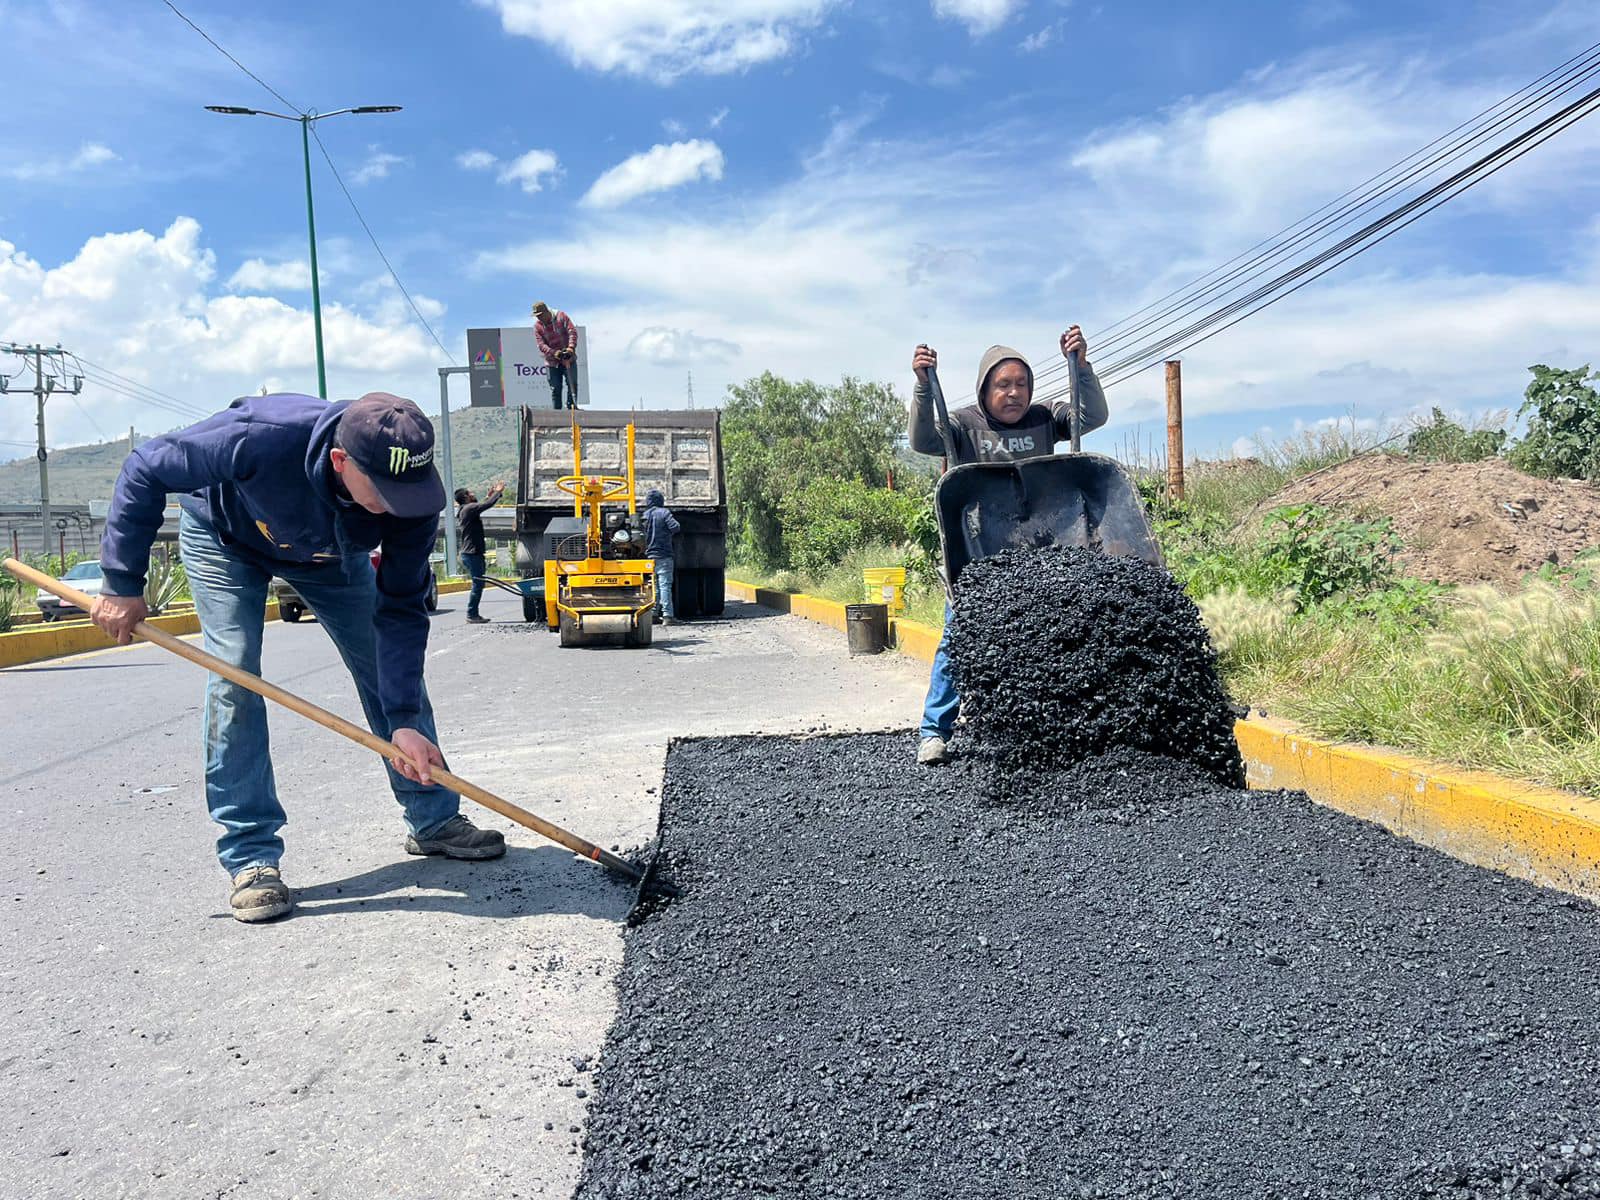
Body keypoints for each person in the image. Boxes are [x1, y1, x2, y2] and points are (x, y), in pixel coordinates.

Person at [92, 391, 506, 924]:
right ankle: (251, 856)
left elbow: (401, 610)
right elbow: (145, 466)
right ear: (341, 462)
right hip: (227, 539)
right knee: (234, 672)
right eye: (382, 492)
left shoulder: (410, 501)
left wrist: (401, 718)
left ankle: (432, 819)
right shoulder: (259, 434)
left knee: (386, 672)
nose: (394, 506)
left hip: (332, 556)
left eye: (407, 493)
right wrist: (122, 581)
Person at [907, 326, 1108, 765]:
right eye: (1003, 384)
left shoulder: (1045, 418)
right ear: (985, 389)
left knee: (1057, 637)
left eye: (1021, 384)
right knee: (956, 636)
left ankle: (1054, 726)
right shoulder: (962, 425)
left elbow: (1090, 418)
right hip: (980, 557)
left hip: (1043, 554)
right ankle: (934, 731)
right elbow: (923, 440)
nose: (1014, 393)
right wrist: (924, 388)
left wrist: (1084, 366)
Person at [455, 480, 505, 624]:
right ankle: (472, 614)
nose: (473, 494)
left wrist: (490, 496)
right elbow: (486, 505)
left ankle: (473, 613)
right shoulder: (468, 509)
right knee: (478, 584)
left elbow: (481, 505)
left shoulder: (466, 509)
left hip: (471, 554)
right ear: (466, 497)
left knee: (479, 584)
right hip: (472, 554)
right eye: (471, 493)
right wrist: (498, 492)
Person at [642, 488, 682, 625]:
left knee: (654, 586)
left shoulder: (645, 515)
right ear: (661, 501)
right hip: (664, 554)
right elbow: (675, 527)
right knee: (665, 585)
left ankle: (653, 614)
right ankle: (667, 616)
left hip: (649, 556)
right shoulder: (664, 513)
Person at [532, 300, 579, 410]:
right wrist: (554, 353)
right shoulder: (537, 327)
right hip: (552, 362)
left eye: (540, 315)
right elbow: (541, 345)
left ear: (546, 312)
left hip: (568, 358)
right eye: (536, 316)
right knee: (555, 387)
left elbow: (572, 331)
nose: (538, 318)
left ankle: (572, 408)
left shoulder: (561, 316)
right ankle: (557, 413)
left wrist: (570, 348)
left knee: (573, 383)